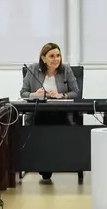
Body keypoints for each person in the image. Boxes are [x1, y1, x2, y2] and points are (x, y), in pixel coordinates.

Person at [20, 42, 80, 183]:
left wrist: (62, 95)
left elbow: (76, 92)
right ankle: (45, 165)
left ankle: (50, 162)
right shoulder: (33, 69)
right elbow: (23, 92)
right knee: (41, 123)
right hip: (38, 112)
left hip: (60, 112)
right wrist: (34, 94)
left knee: (54, 126)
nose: (56, 59)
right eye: (52, 56)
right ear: (43, 58)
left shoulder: (66, 70)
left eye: (58, 55)